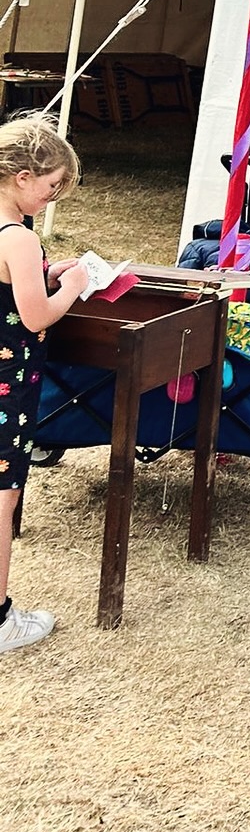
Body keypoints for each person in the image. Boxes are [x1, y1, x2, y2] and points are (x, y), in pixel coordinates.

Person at [0, 115, 90, 655]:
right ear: (21, 176)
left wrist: (45, 274)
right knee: (3, 495)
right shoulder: (19, 238)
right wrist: (72, 285)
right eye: (51, 185)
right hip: (7, 385)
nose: (53, 196)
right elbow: (35, 316)